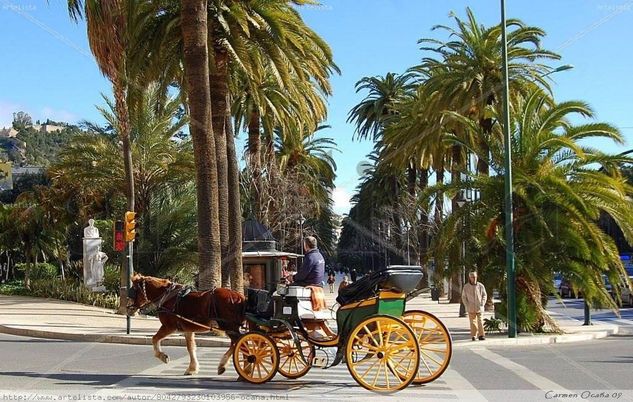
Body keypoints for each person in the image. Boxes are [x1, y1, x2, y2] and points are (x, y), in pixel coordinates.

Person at [461, 271, 487, 341]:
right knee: (472, 322)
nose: (474, 278)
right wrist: (467, 305)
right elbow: (463, 297)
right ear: (470, 278)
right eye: (472, 277)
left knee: (480, 321)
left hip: (479, 307)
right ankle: (474, 335)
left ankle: (481, 335)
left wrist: (482, 303)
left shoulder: (480, 286)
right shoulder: (466, 287)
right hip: (471, 308)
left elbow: (484, 295)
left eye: (475, 277)